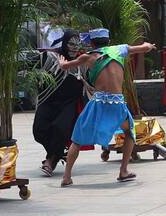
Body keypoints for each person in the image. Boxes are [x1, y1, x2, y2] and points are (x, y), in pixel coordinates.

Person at [58, 28, 156, 187]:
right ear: (108, 41)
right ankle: (123, 171)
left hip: (97, 104)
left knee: (76, 139)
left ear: (91, 42)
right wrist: (149, 45)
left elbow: (66, 66)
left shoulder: (88, 57)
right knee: (129, 133)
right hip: (117, 105)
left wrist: (62, 63)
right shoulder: (120, 50)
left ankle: (66, 177)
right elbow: (144, 48)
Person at [33, 29, 86, 177]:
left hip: (69, 103)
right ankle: (57, 152)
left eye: (78, 44)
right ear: (64, 43)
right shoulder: (51, 56)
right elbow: (32, 67)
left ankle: (51, 160)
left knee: (60, 128)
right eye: (71, 44)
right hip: (48, 100)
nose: (75, 47)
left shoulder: (82, 60)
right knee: (39, 130)